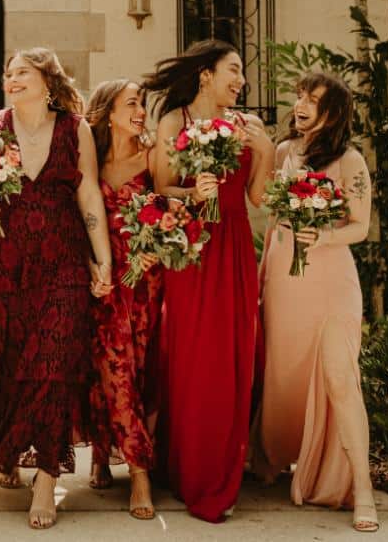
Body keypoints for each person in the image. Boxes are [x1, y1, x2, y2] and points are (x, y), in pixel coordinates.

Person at [0, 48, 114, 531]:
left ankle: (48, 477)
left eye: (23, 72)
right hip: (4, 262)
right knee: (11, 360)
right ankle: (9, 447)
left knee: (55, 363)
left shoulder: (76, 129)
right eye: (8, 72)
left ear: (47, 80)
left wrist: (103, 257)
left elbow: (88, 191)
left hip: (63, 262)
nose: (12, 79)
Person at [143, 39, 274, 523]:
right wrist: (193, 191)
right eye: (233, 70)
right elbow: (161, 187)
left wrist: (265, 154)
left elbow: (259, 196)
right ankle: (187, 466)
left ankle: (222, 469)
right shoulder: (175, 121)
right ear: (205, 74)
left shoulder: (252, 126)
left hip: (237, 244)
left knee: (234, 352)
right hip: (192, 248)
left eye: (241, 73)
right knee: (193, 354)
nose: (241, 80)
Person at [253, 70, 378, 532]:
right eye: (301, 95)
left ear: (335, 112)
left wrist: (322, 234)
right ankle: (277, 454)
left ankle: (362, 488)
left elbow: (360, 227)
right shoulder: (285, 151)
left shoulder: (350, 160)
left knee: (340, 378)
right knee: (283, 374)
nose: (302, 103)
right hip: (286, 278)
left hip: (330, 281)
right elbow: (266, 203)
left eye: (314, 98)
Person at [82, 78, 168, 519]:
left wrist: (162, 242)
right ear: (107, 112)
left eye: (142, 104)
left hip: (146, 280)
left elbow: (174, 207)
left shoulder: (153, 156)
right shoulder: (89, 160)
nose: (140, 111)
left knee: (135, 365)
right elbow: (76, 217)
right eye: (131, 103)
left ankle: (103, 454)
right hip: (102, 280)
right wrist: (91, 268)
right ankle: (137, 472)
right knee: (110, 363)